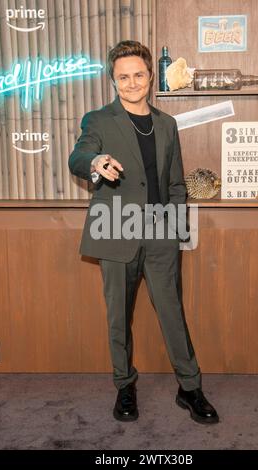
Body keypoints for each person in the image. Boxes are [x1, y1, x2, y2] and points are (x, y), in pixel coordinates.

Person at [68, 40, 219, 425]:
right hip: (114, 228)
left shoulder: (167, 124)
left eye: (138, 75)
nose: (131, 83)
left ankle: (190, 388)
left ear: (151, 76)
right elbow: (79, 156)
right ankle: (124, 386)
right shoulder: (98, 121)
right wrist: (97, 161)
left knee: (172, 311)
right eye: (123, 77)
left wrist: (175, 229)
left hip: (160, 232)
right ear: (113, 80)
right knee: (118, 316)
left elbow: (174, 184)